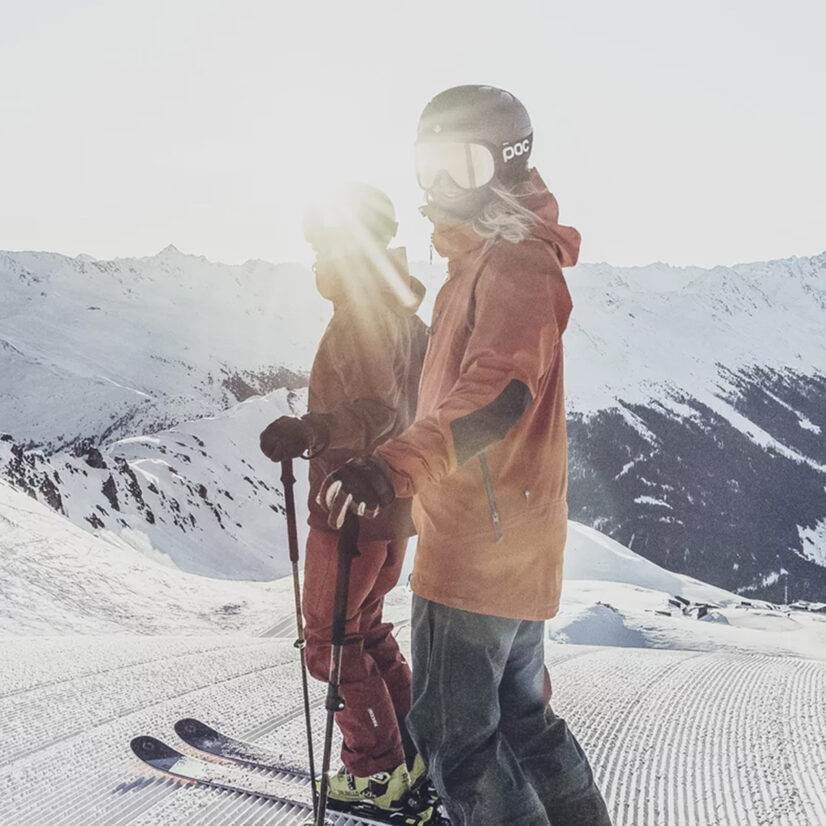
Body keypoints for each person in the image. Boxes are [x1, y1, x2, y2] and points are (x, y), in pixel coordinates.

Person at [319, 87, 613, 825]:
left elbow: (496, 396)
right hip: (512, 539)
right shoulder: (491, 256)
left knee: (458, 747)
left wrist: (394, 467)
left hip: (479, 552)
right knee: (523, 721)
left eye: (464, 163)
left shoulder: (511, 262)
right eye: (431, 164)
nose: (443, 184)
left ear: (506, 168)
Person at [259, 182, 429, 811]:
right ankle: (410, 748)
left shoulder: (363, 310)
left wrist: (314, 431)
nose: (313, 259)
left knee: (330, 644)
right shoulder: (404, 314)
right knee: (366, 631)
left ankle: (375, 774)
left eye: (321, 244)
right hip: (394, 511)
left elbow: (378, 412)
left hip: (349, 512)